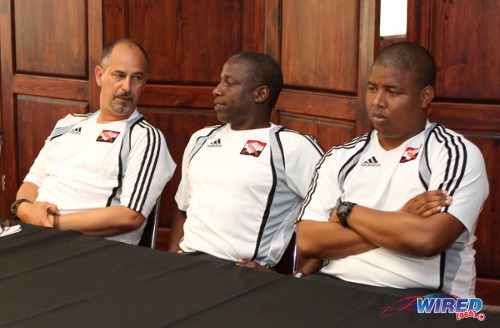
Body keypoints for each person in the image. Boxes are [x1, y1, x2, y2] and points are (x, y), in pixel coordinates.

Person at [296, 42, 489, 298]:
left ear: (425, 96)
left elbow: (425, 241)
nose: (378, 102)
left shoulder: (454, 153)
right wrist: (401, 217)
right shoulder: (341, 156)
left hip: (428, 297)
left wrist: (346, 211)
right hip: (336, 284)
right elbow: (309, 241)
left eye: (393, 92)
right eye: (372, 88)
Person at [168, 52, 324, 272]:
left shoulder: (292, 147)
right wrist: (173, 256)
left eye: (229, 83)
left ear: (260, 94)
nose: (217, 89)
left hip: (240, 273)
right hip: (186, 266)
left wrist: (296, 279)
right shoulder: (201, 139)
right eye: (221, 80)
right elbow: (183, 207)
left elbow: (333, 221)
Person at [11, 39, 176, 245]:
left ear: (144, 83)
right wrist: (23, 208)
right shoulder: (68, 123)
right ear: (100, 75)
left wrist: (54, 223)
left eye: (136, 78)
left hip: (88, 247)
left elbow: (131, 216)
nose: (127, 87)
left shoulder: (145, 137)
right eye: (119, 75)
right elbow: (32, 181)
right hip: (32, 233)